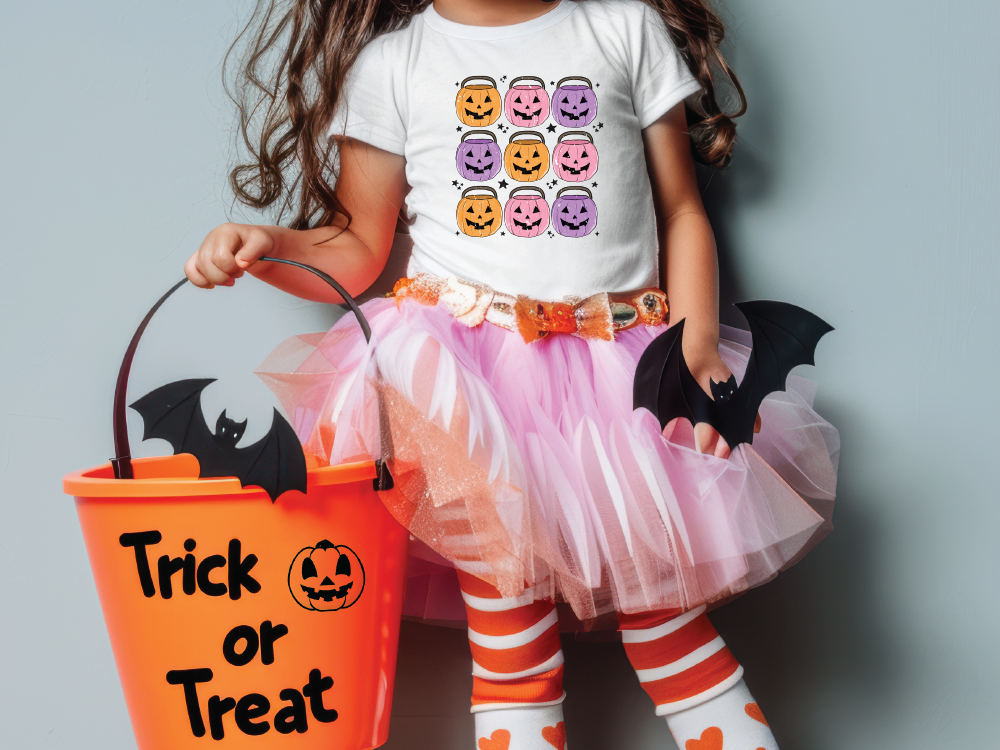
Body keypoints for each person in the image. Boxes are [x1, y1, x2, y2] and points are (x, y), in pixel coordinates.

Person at [185, 1, 839, 747]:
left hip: (618, 383)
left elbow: (684, 210)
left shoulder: (622, 29)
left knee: (667, 621)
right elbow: (359, 248)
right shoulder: (394, 65)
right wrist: (263, 243)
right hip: (463, 390)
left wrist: (695, 357)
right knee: (511, 640)